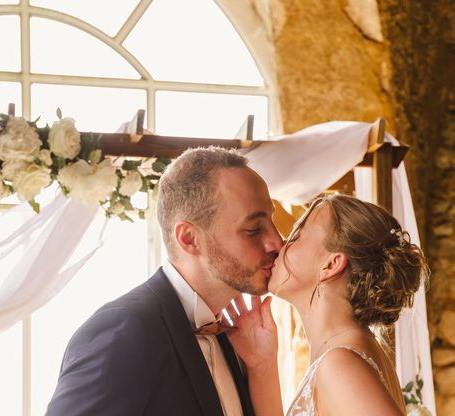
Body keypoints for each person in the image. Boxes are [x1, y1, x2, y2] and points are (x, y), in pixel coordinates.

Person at [46, 147, 284, 415]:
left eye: (272, 222)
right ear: (189, 239)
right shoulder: (123, 332)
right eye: (253, 230)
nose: (277, 241)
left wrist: (262, 365)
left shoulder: (234, 335)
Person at [225, 194, 428, 416]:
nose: (280, 246)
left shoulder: (339, 364)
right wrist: (262, 364)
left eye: (297, 237)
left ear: (331, 265)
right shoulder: (345, 352)